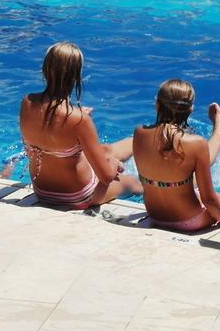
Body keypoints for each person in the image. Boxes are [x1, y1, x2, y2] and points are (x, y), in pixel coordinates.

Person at [19, 41, 142, 210]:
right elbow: (106, 177)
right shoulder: (79, 120)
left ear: (45, 69)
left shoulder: (27, 103)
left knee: (105, 150)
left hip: (41, 191)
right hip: (78, 196)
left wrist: (78, 117)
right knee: (132, 182)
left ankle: (136, 141)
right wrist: (113, 165)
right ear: (76, 77)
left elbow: (50, 131)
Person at [131, 79, 220, 233]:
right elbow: (209, 199)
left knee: (184, 178)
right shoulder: (196, 143)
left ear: (157, 104)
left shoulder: (139, 133)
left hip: (155, 215)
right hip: (190, 220)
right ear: (190, 110)